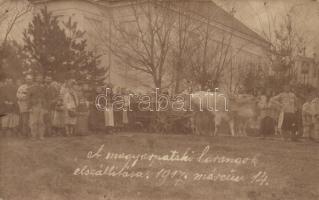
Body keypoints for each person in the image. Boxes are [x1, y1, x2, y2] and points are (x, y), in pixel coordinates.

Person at [28, 74, 47, 140]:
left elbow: (45, 98)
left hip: (41, 106)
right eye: (38, 78)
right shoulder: (31, 88)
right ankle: (34, 136)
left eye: (41, 79)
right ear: (35, 79)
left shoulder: (43, 88)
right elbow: (28, 98)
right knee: (33, 122)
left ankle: (41, 135)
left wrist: (45, 107)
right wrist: (29, 107)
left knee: (41, 122)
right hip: (34, 106)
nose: (39, 80)